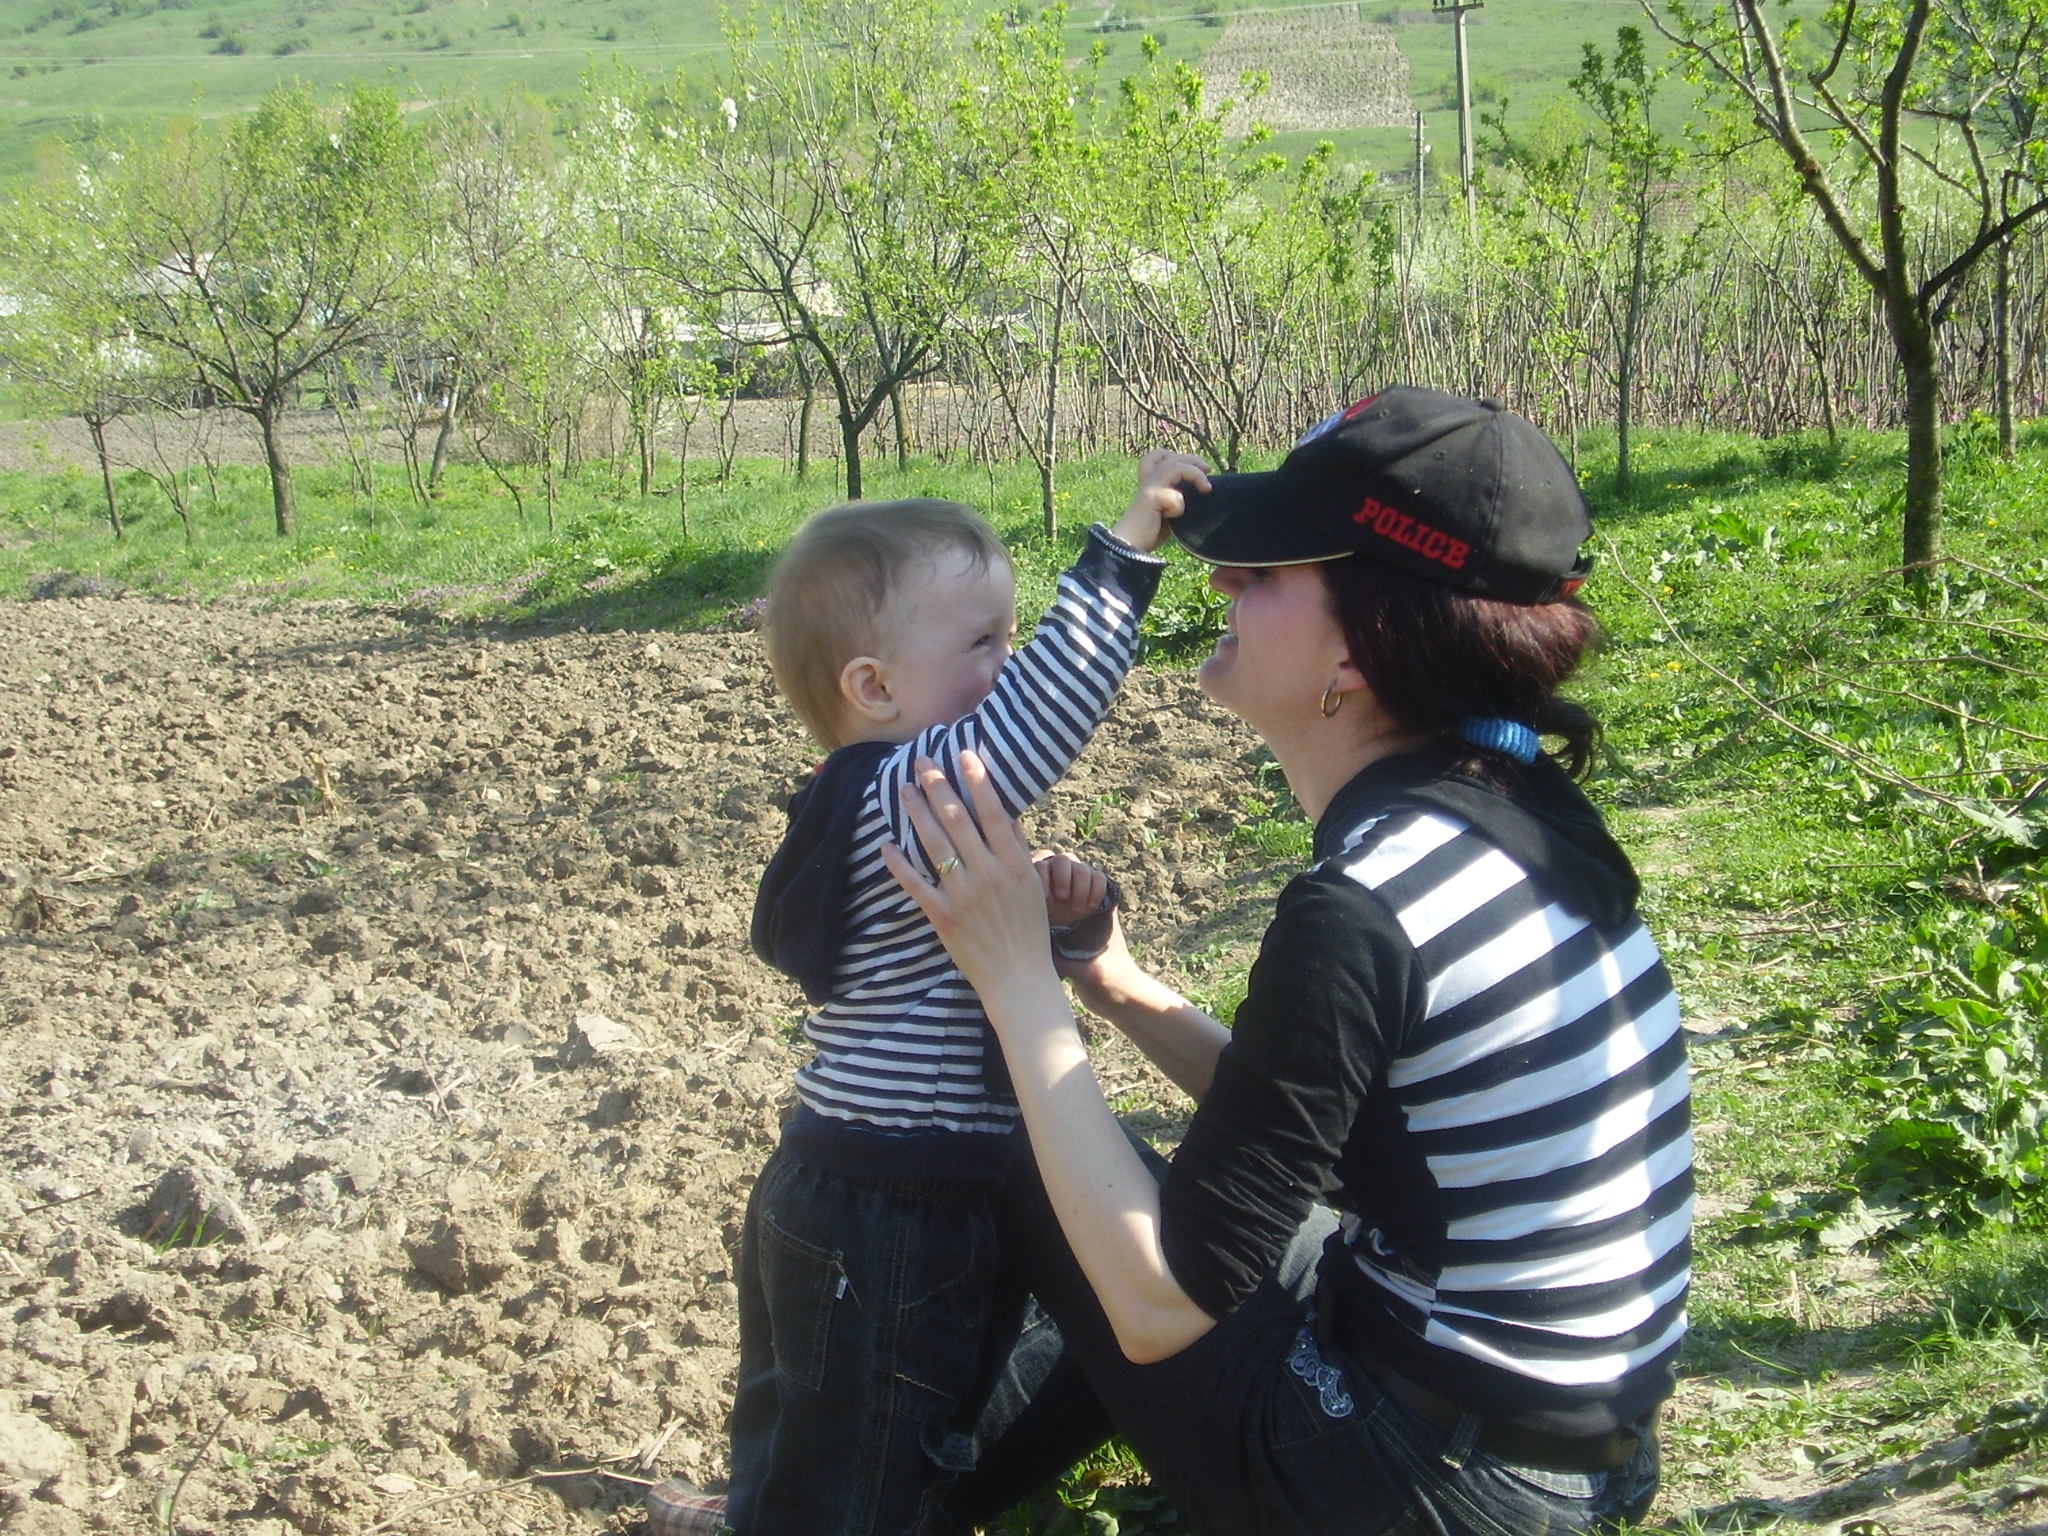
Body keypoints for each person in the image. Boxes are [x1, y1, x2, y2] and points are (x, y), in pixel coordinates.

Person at [882, 387, 1694, 1536]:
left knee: (1031, 1154)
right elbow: (1329, 1130)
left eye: (1262, 571)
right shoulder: (1507, 808)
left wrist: (1017, 986)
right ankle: (907, 1499)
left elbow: (1158, 1307)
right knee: (1177, 1204)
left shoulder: (1367, 904)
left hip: (1444, 1487)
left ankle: (837, 1501)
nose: (1221, 580)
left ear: (1358, 650)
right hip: (1567, 1450)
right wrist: (1117, 986)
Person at [647, 459, 1207, 1536]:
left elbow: (949, 953)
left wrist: (1057, 916)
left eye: (1011, 636)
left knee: (818, 1432)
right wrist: (1125, 555)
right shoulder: (906, 788)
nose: (1008, 665)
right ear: (873, 689)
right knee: (864, 1472)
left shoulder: (874, 806)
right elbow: (1045, 709)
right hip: (893, 1206)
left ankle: (754, 1517)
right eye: (983, 642)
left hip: (841, 1181)